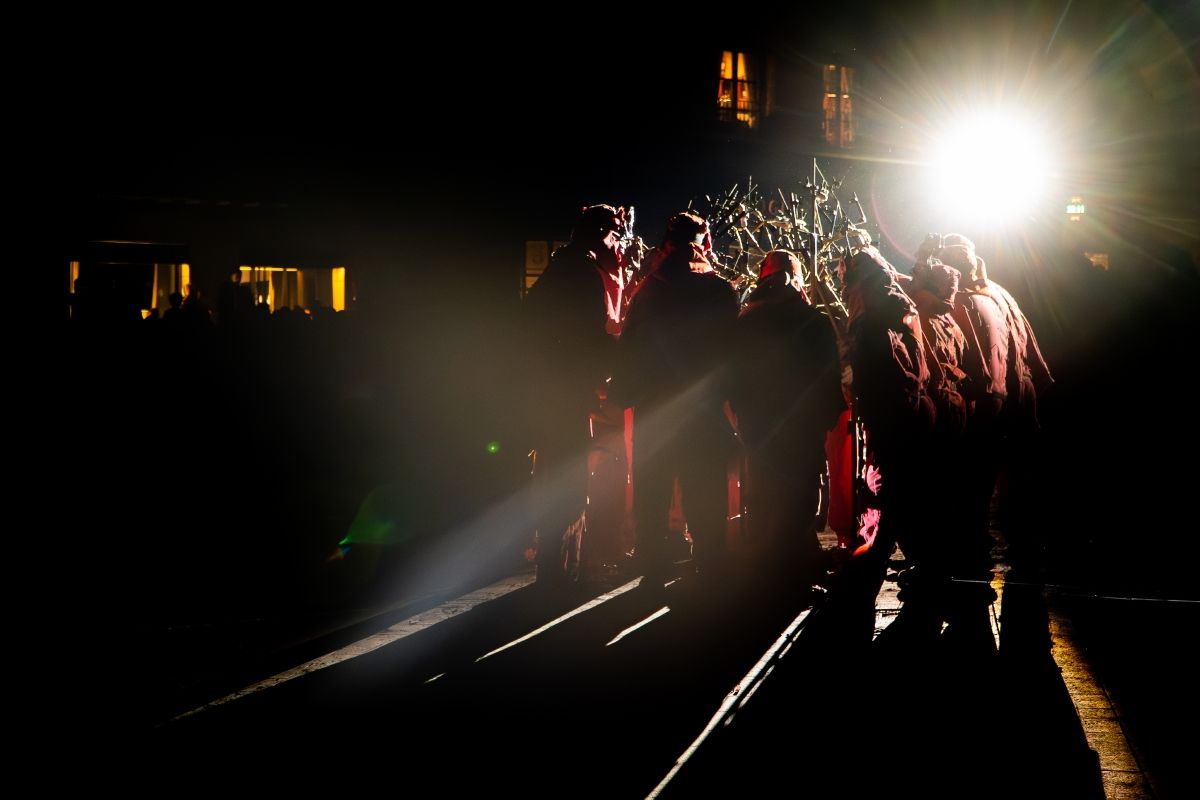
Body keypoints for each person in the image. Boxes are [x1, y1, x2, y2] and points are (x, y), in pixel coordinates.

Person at [614, 212, 739, 590]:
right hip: (703, 409)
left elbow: (630, 350)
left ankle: (653, 567)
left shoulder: (649, 290)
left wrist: (623, 394)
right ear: (703, 242)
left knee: (653, 490)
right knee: (705, 490)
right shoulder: (719, 290)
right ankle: (710, 566)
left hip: (656, 408)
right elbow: (732, 352)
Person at [523, 204, 627, 589]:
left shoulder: (560, 268)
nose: (617, 243)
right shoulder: (581, 273)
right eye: (614, 234)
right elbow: (590, 336)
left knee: (553, 474)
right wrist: (620, 353)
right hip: (567, 391)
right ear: (601, 233)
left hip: (548, 389)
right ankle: (561, 570)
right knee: (567, 479)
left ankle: (555, 566)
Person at [731, 250, 844, 585]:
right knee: (800, 494)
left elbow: (734, 377)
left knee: (762, 491)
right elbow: (828, 377)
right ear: (796, 279)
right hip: (802, 426)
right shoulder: (815, 321)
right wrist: (825, 416)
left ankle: (765, 566)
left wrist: (742, 414)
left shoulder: (746, 320)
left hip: (759, 425)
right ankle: (794, 566)